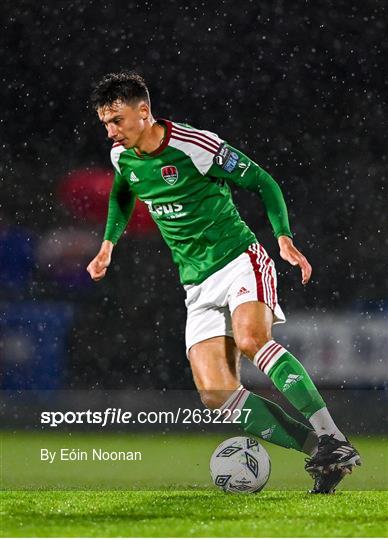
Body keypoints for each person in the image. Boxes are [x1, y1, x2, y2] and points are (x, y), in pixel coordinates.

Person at [86, 71, 361, 494]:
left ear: (144, 111)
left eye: (117, 120)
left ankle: (331, 433)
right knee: (217, 395)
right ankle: (325, 454)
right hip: (195, 285)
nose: (111, 131)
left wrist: (283, 238)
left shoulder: (195, 146)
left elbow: (262, 181)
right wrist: (108, 244)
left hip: (238, 261)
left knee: (253, 341)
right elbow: (123, 192)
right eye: (105, 123)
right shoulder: (122, 158)